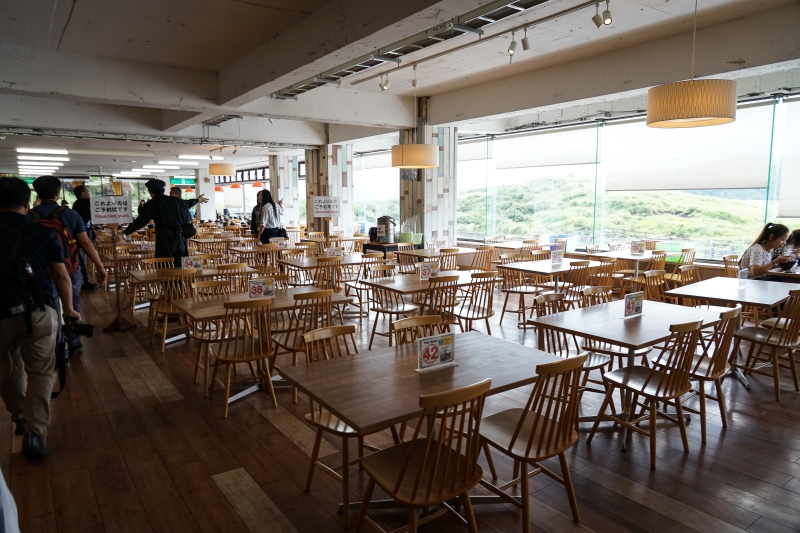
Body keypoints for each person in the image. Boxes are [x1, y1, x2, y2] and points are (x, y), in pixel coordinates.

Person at [0, 177, 80, 460]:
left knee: (7, 371)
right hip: (37, 309)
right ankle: (35, 433)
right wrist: (68, 309)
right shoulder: (43, 233)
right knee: (41, 372)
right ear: (27, 203)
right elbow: (61, 275)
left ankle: (19, 415)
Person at [31, 176, 107, 354]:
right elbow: (85, 243)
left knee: (50, 309)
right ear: (58, 193)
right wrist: (100, 266)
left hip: (41, 272)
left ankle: (57, 347)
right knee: (73, 306)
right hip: (70, 268)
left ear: (37, 194)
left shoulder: (30, 217)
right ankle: (74, 343)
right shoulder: (70, 214)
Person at [116, 179, 188, 266]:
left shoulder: (152, 204)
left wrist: (124, 233)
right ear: (164, 190)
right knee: (181, 269)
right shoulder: (174, 200)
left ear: (149, 191)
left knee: (165, 269)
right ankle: (180, 280)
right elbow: (188, 203)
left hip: (165, 242)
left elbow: (141, 221)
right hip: (180, 240)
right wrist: (198, 200)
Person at [71, 185, 97, 290]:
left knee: (84, 258)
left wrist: (94, 235)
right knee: (81, 258)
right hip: (81, 234)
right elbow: (95, 201)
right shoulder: (80, 203)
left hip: (87, 231)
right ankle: (81, 282)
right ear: (82, 193)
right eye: (87, 191)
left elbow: (88, 223)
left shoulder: (84, 204)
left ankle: (84, 281)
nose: (88, 193)